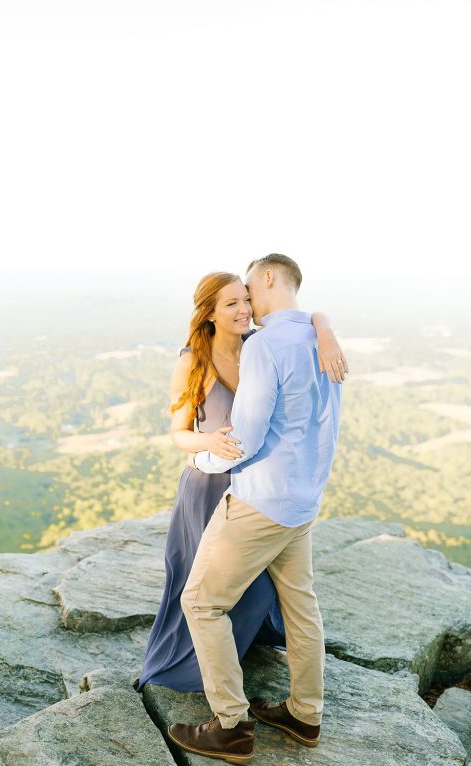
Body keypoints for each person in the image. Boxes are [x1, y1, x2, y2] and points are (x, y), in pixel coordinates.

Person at [168, 254, 343, 764]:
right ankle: (305, 715)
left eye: (248, 288)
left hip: (260, 501)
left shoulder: (265, 345)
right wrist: (325, 324)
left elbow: (244, 436)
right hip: (305, 499)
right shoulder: (319, 339)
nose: (247, 301)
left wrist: (203, 455)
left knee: (201, 603)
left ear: (267, 278)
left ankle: (230, 727)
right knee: (301, 607)